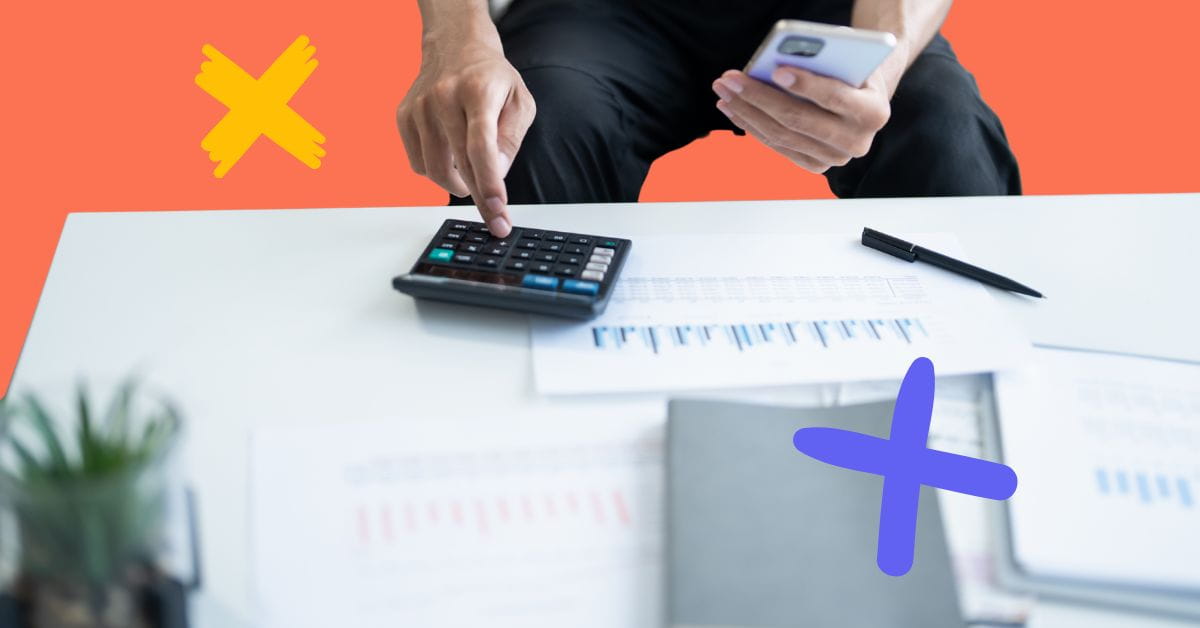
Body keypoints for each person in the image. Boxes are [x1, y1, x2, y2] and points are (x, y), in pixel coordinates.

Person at [397, 0, 1020, 237]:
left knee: (945, 132)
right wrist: (456, 38)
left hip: (830, 7)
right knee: (533, 129)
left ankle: (966, 414)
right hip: (594, 13)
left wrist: (885, 63)